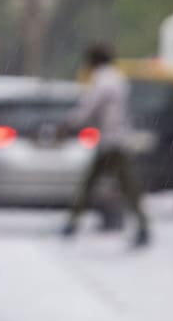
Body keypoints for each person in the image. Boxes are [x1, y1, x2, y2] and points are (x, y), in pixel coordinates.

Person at [60, 42, 151, 248]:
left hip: (112, 142)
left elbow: (90, 107)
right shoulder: (116, 78)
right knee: (120, 186)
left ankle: (72, 224)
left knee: (108, 185)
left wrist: (68, 124)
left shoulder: (103, 80)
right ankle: (72, 223)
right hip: (115, 140)